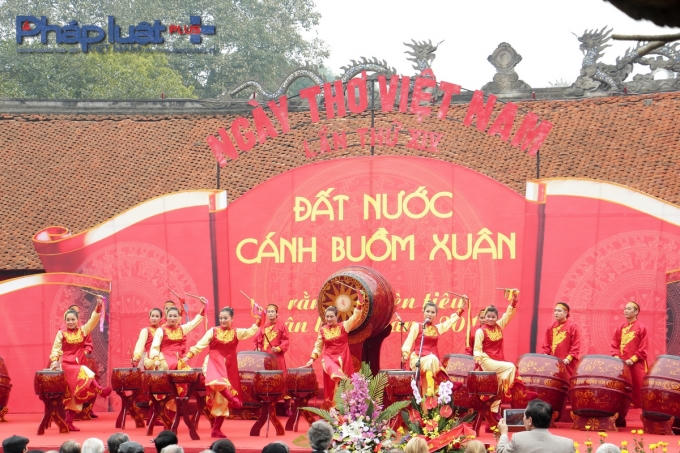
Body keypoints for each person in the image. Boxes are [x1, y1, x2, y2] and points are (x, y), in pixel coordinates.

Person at [182, 306, 260, 438]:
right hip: (212, 362)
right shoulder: (212, 332)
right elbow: (200, 345)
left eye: (225, 318)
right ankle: (232, 399)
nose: (222, 320)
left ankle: (216, 429)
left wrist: (259, 319)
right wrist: (188, 356)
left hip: (228, 366)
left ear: (232, 319)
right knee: (217, 381)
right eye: (221, 318)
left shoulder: (237, 332)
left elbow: (251, 331)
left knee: (221, 399)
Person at [48, 296, 111, 431]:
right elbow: (56, 349)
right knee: (84, 370)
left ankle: (68, 422)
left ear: (77, 320)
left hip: (78, 365)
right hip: (66, 365)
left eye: (73, 319)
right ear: (65, 321)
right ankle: (100, 389)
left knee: (75, 396)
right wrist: (54, 362)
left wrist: (98, 307)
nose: (70, 322)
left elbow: (92, 322)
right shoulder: (61, 334)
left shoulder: (82, 331)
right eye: (68, 320)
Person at [304, 291, 365, 407]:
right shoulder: (322, 330)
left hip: (343, 359)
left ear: (336, 317)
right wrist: (312, 359)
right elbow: (318, 345)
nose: (329, 318)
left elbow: (356, 317)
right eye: (327, 316)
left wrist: (360, 300)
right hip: (329, 358)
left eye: (331, 316)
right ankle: (332, 408)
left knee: (344, 385)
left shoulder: (344, 326)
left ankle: (343, 409)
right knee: (334, 379)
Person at [401, 300, 466, 398]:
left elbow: (448, 323)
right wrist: (405, 354)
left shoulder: (436, 328)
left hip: (432, 361)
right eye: (427, 311)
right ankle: (437, 387)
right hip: (418, 359)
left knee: (432, 360)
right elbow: (409, 340)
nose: (430, 314)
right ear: (423, 312)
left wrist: (460, 309)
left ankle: (431, 392)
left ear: (436, 315)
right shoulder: (417, 326)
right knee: (432, 359)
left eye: (432, 312)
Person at [473, 290, 519, 413]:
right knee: (511, 367)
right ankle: (506, 392)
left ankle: (494, 411)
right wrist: (478, 362)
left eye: (493, 317)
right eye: (488, 316)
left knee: (500, 382)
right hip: (487, 360)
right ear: (484, 317)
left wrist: (513, 302)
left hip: (498, 360)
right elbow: (477, 350)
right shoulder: (480, 331)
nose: (490, 319)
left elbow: (508, 315)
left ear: (496, 318)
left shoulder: (499, 326)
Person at [496, 399, 575, 453]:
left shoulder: (518, 439)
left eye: (524, 416)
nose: (523, 419)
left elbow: (501, 451)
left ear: (530, 420)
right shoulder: (567, 444)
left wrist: (503, 434)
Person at [611, 301, 648, 408]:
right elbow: (614, 344)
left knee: (638, 388)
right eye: (625, 308)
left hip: (636, 363)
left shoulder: (641, 327)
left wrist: (632, 360)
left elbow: (643, 348)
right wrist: (616, 357)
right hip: (621, 363)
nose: (625, 311)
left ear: (636, 312)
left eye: (629, 309)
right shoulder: (621, 327)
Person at [149, 300, 205, 370]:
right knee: (165, 368)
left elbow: (194, 323)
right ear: (166, 317)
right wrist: (156, 359)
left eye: (175, 316)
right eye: (170, 316)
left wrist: (204, 306)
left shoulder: (181, 329)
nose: (172, 318)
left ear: (178, 318)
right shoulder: (160, 330)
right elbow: (155, 347)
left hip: (178, 360)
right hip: (164, 359)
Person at [541, 302, 581, 378]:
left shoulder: (572, 326)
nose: (556, 313)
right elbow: (546, 344)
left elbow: (576, 345)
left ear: (566, 313)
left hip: (567, 363)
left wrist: (568, 359)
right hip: (553, 363)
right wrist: (545, 355)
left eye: (559, 311)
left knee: (567, 382)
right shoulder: (551, 327)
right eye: (555, 311)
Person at [254, 304, 289, 370]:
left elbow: (286, 340)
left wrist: (279, 348)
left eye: (272, 311)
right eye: (269, 312)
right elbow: (259, 340)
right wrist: (258, 348)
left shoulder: (282, 326)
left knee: (278, 375)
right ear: (267, 314)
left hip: (277, 357)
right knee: (267, 375)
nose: (270, 314)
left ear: (276, 313)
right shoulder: (264, 327)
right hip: (266, 358)